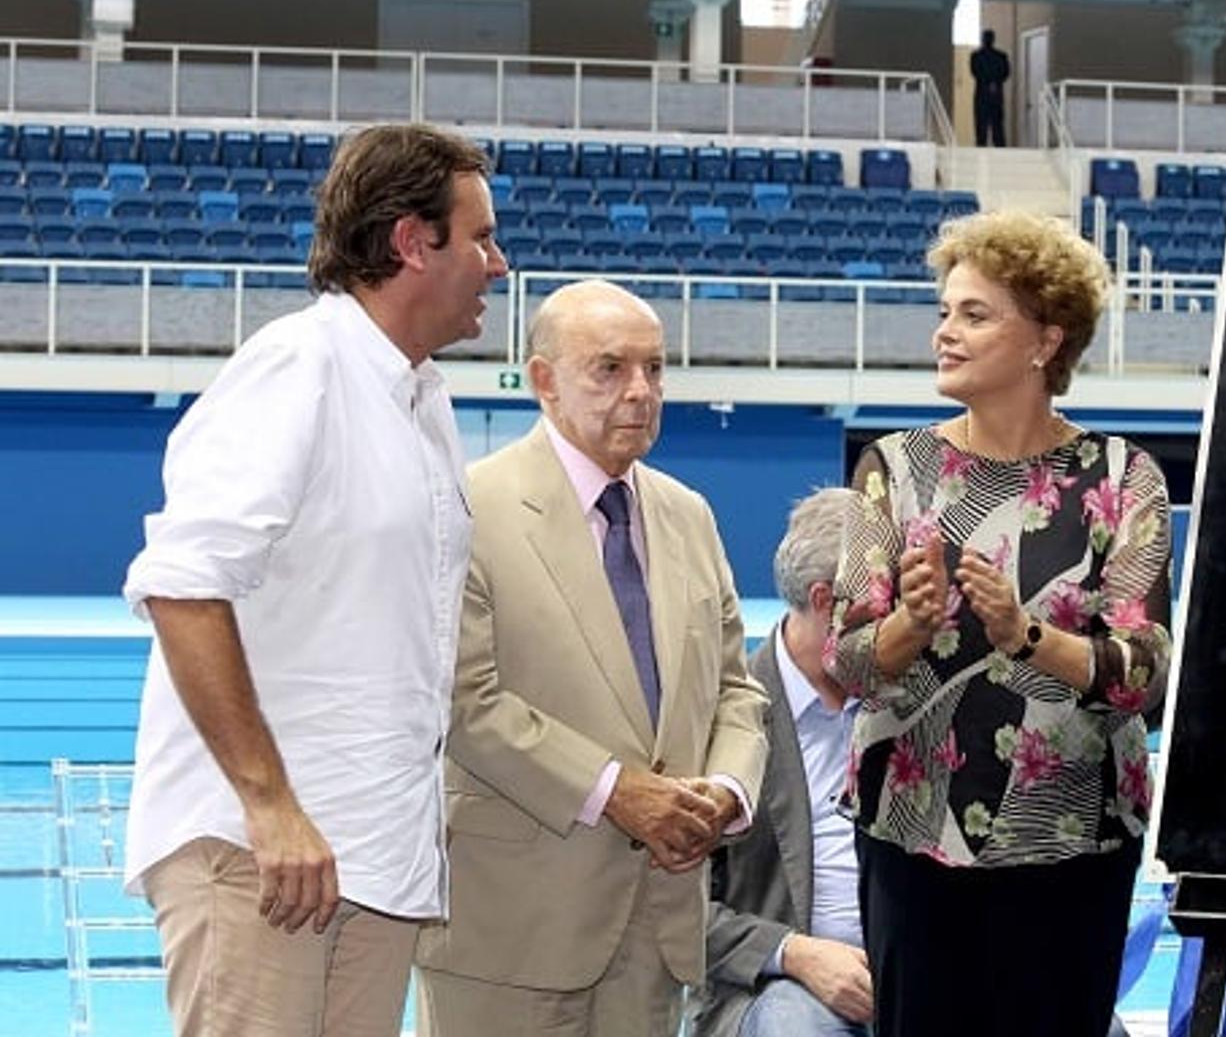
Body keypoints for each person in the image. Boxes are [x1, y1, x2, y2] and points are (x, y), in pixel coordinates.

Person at [121, 123, 507, 1037]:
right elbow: (181, 585)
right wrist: (269, 803)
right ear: (414, 243)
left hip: (374, 857)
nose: (497, 263)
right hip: (263, 854)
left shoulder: (423, 403)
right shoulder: (298, 367)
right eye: (482, 236)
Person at [826, 211, 1172, 1037]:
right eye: (945, 311)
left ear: (1046, 340)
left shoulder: (1124, 476)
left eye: (975, 314)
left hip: (1074, 842)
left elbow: (1144, 674)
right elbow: (850, 661)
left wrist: (1024, 635)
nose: (946, 331)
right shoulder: (893, 466)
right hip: (911, 838)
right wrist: (913, 620)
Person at [415, 278, 768, 1037]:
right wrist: (615, 790)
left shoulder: (689, 514)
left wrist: (726, 790)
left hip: (655, 931)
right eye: (609, 368)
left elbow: (737, 690)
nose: (640, 391)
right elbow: (462, 700)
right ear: (544, 381)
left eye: (655, 368)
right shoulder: (467, 506)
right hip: (509, 929)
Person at [694, 487, 872, 1037]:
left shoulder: (917, 700)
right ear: (825, 601)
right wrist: (792, 953)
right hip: (776, 987)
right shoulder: (717, 717)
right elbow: (672, 909)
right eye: (883, 599)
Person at [969, 29, 1010, 148]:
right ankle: (998, 146)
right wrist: (994, 82)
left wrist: (988, 82)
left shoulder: (976, 56)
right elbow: (1005, 73)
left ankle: (984, 145)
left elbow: (975, 72)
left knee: (984, 123)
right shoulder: (1001, 56)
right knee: (995, 123)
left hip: (982, 93)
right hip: (995, 92)